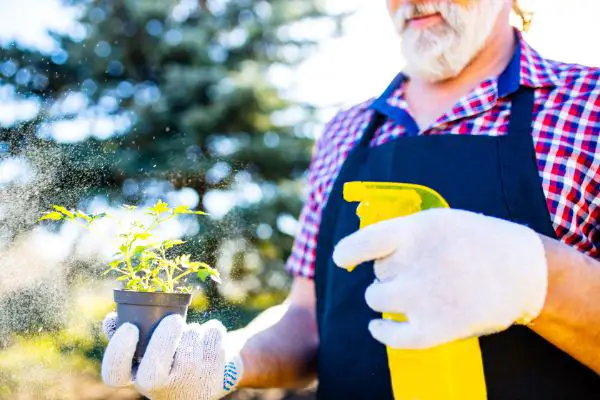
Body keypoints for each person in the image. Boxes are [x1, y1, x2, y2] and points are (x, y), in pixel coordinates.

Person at [100, 0, 600, 399]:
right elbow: (307, 319)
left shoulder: (588, 107)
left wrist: (541, 279)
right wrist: (225, 362)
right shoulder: (344, 132)